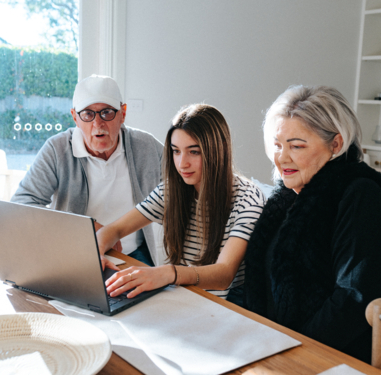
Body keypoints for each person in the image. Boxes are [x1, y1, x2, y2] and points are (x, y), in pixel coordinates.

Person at [243, 85, 381, 374]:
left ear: (336, 145)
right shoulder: (288, 196)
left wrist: (294, 357)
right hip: (287, 349)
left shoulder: (363, 196)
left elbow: (353, 300)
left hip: (361, 360)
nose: (282, 158)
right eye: (277, 144)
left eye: (297, 146)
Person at [97, 104, 265, 304]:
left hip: (225, 306)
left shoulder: (248, 199)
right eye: (176, 151)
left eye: (194, 152)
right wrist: (96, 254)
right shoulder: (172, 189)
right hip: (181, 297)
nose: (182, 163)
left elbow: (224, 274)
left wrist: (168, 274)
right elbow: (114, 229)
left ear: (217, 152)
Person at [11, 75, 163, 266]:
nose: (97, 124)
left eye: (107, 113)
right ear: (75, 117)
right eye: (87, 114)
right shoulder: (57, 149)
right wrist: (87, 228)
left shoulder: (146, 146)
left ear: (122, 113)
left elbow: (179, 191)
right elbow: (21, 206)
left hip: (134, 255)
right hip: (75, 253)